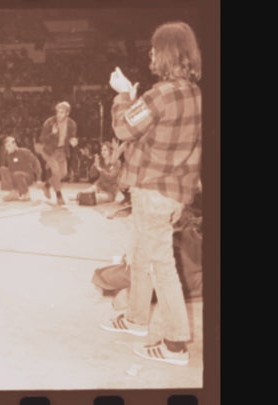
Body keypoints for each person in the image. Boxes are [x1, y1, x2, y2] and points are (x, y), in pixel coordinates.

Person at [99, 21, 202, 366]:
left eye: (155, 49)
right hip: (172, 192)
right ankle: (136, 318)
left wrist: (123, 95)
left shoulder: (160, 94)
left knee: (160, 264)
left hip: (152, 190)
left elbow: (122, 127)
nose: (151, 54)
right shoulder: (196, 94)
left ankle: (175, 344)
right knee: (142, 254)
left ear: (166, 53)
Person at [35, 101, 77, 205]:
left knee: (63, 173)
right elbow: (42, 138)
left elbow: (70, 138)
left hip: (61, 151)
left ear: (67, 113)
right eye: (58, 112)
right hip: (48, 150)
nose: (58, 115)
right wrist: (52, 134)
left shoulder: (72, 124)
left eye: (62, 112)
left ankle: (47, 185)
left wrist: (72, 141)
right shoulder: (49, 122)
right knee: (56, 171)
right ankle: (59, 195)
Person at [75, 140, 126, 205]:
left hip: (110, 191)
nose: (103, 152)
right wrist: (95, 165)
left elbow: (111, 178)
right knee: (81, 194)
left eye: (105, 150)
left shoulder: (117, 162)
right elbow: (92, 175)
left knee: (93, 198)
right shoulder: (101, 161)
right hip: (99, 186)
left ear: (110, 151)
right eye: (102, 150)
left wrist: (100, 169)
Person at [0, 136, 43, 202]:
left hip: (27, 177)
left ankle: (25, 193)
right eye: (6, 146)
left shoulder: (25, 152)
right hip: (16, 176)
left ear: (14, 145)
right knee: (2, 169)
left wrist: (38, 179)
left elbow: (36, 163)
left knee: (17, 174)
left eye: (9, 145)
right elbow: (10, 170)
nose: (7, 148)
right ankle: (13, 192)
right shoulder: (8, 156)